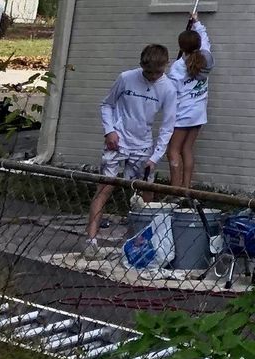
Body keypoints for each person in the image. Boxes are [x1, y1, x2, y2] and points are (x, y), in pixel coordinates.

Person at [86, 43, 177, 252]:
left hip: (143, 145)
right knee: (105, 187)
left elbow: (167, 127)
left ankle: (140, 241)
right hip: (118, 141)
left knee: (146, 192)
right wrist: (109, 130)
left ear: (165, 67)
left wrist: (155, 157)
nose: (152, 76)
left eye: (157, 72)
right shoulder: (126, 78)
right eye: (148, 72)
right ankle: (91, 240)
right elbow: (107, 104)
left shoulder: (169, 89)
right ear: (141, 65)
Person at [165, 13, 213, 190]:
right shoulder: (206, 57)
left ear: (181, 47)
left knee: (173, 151)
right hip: (199, 113)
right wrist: (197, 22)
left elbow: (171, 95)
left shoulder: (177, 68)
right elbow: (205, 40)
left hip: (182, 114)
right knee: (187, 150)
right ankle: (186, 188)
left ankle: (175, 190)